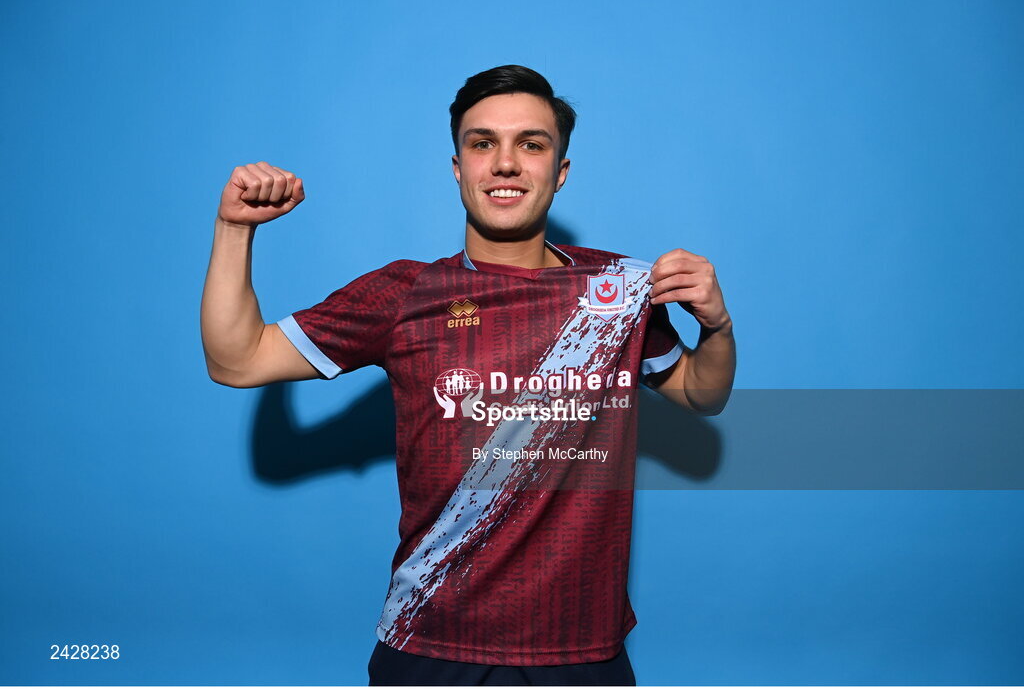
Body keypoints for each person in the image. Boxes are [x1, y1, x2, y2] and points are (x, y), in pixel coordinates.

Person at [201, 65, 736, 686]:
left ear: (559, 173)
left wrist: (717, 327)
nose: (505, 163)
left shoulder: (619, 291)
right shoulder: (405, 293)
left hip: (580, 650)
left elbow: (703, 393)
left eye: (531, 144)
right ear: (458, 168)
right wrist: (234, 228)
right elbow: (236, 360)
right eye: (483, 143)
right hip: (430, 641)